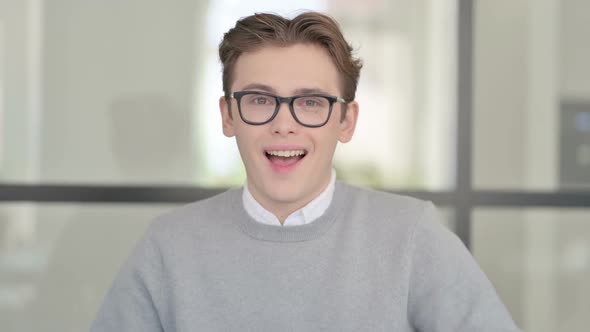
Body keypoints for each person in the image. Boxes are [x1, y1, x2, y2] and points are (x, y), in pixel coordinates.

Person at [91, 11, 521, 332]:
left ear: (346, 121)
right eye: (260, 100)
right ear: (228, 116)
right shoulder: (167, 246)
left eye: (310, 102)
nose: (284, 123)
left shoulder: (412, 236)